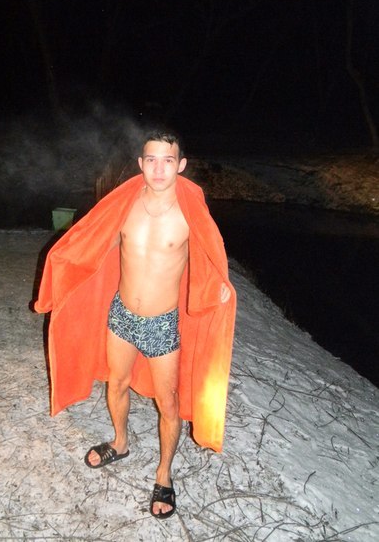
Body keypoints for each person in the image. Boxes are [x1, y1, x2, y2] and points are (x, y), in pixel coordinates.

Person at [35, 131, 236, 519]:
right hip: (122, 316)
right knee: (117, 383)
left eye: (167, 161)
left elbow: (210, 257)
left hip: (161, 324)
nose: (159, 169)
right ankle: (120, 442)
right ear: (141, 163)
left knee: (168, 403)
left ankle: (164, 474)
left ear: (181, 165)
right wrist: (68, 262)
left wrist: (219, 290)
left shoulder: (190, 213)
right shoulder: (125, 206)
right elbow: (97, 245)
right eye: (151, 160)